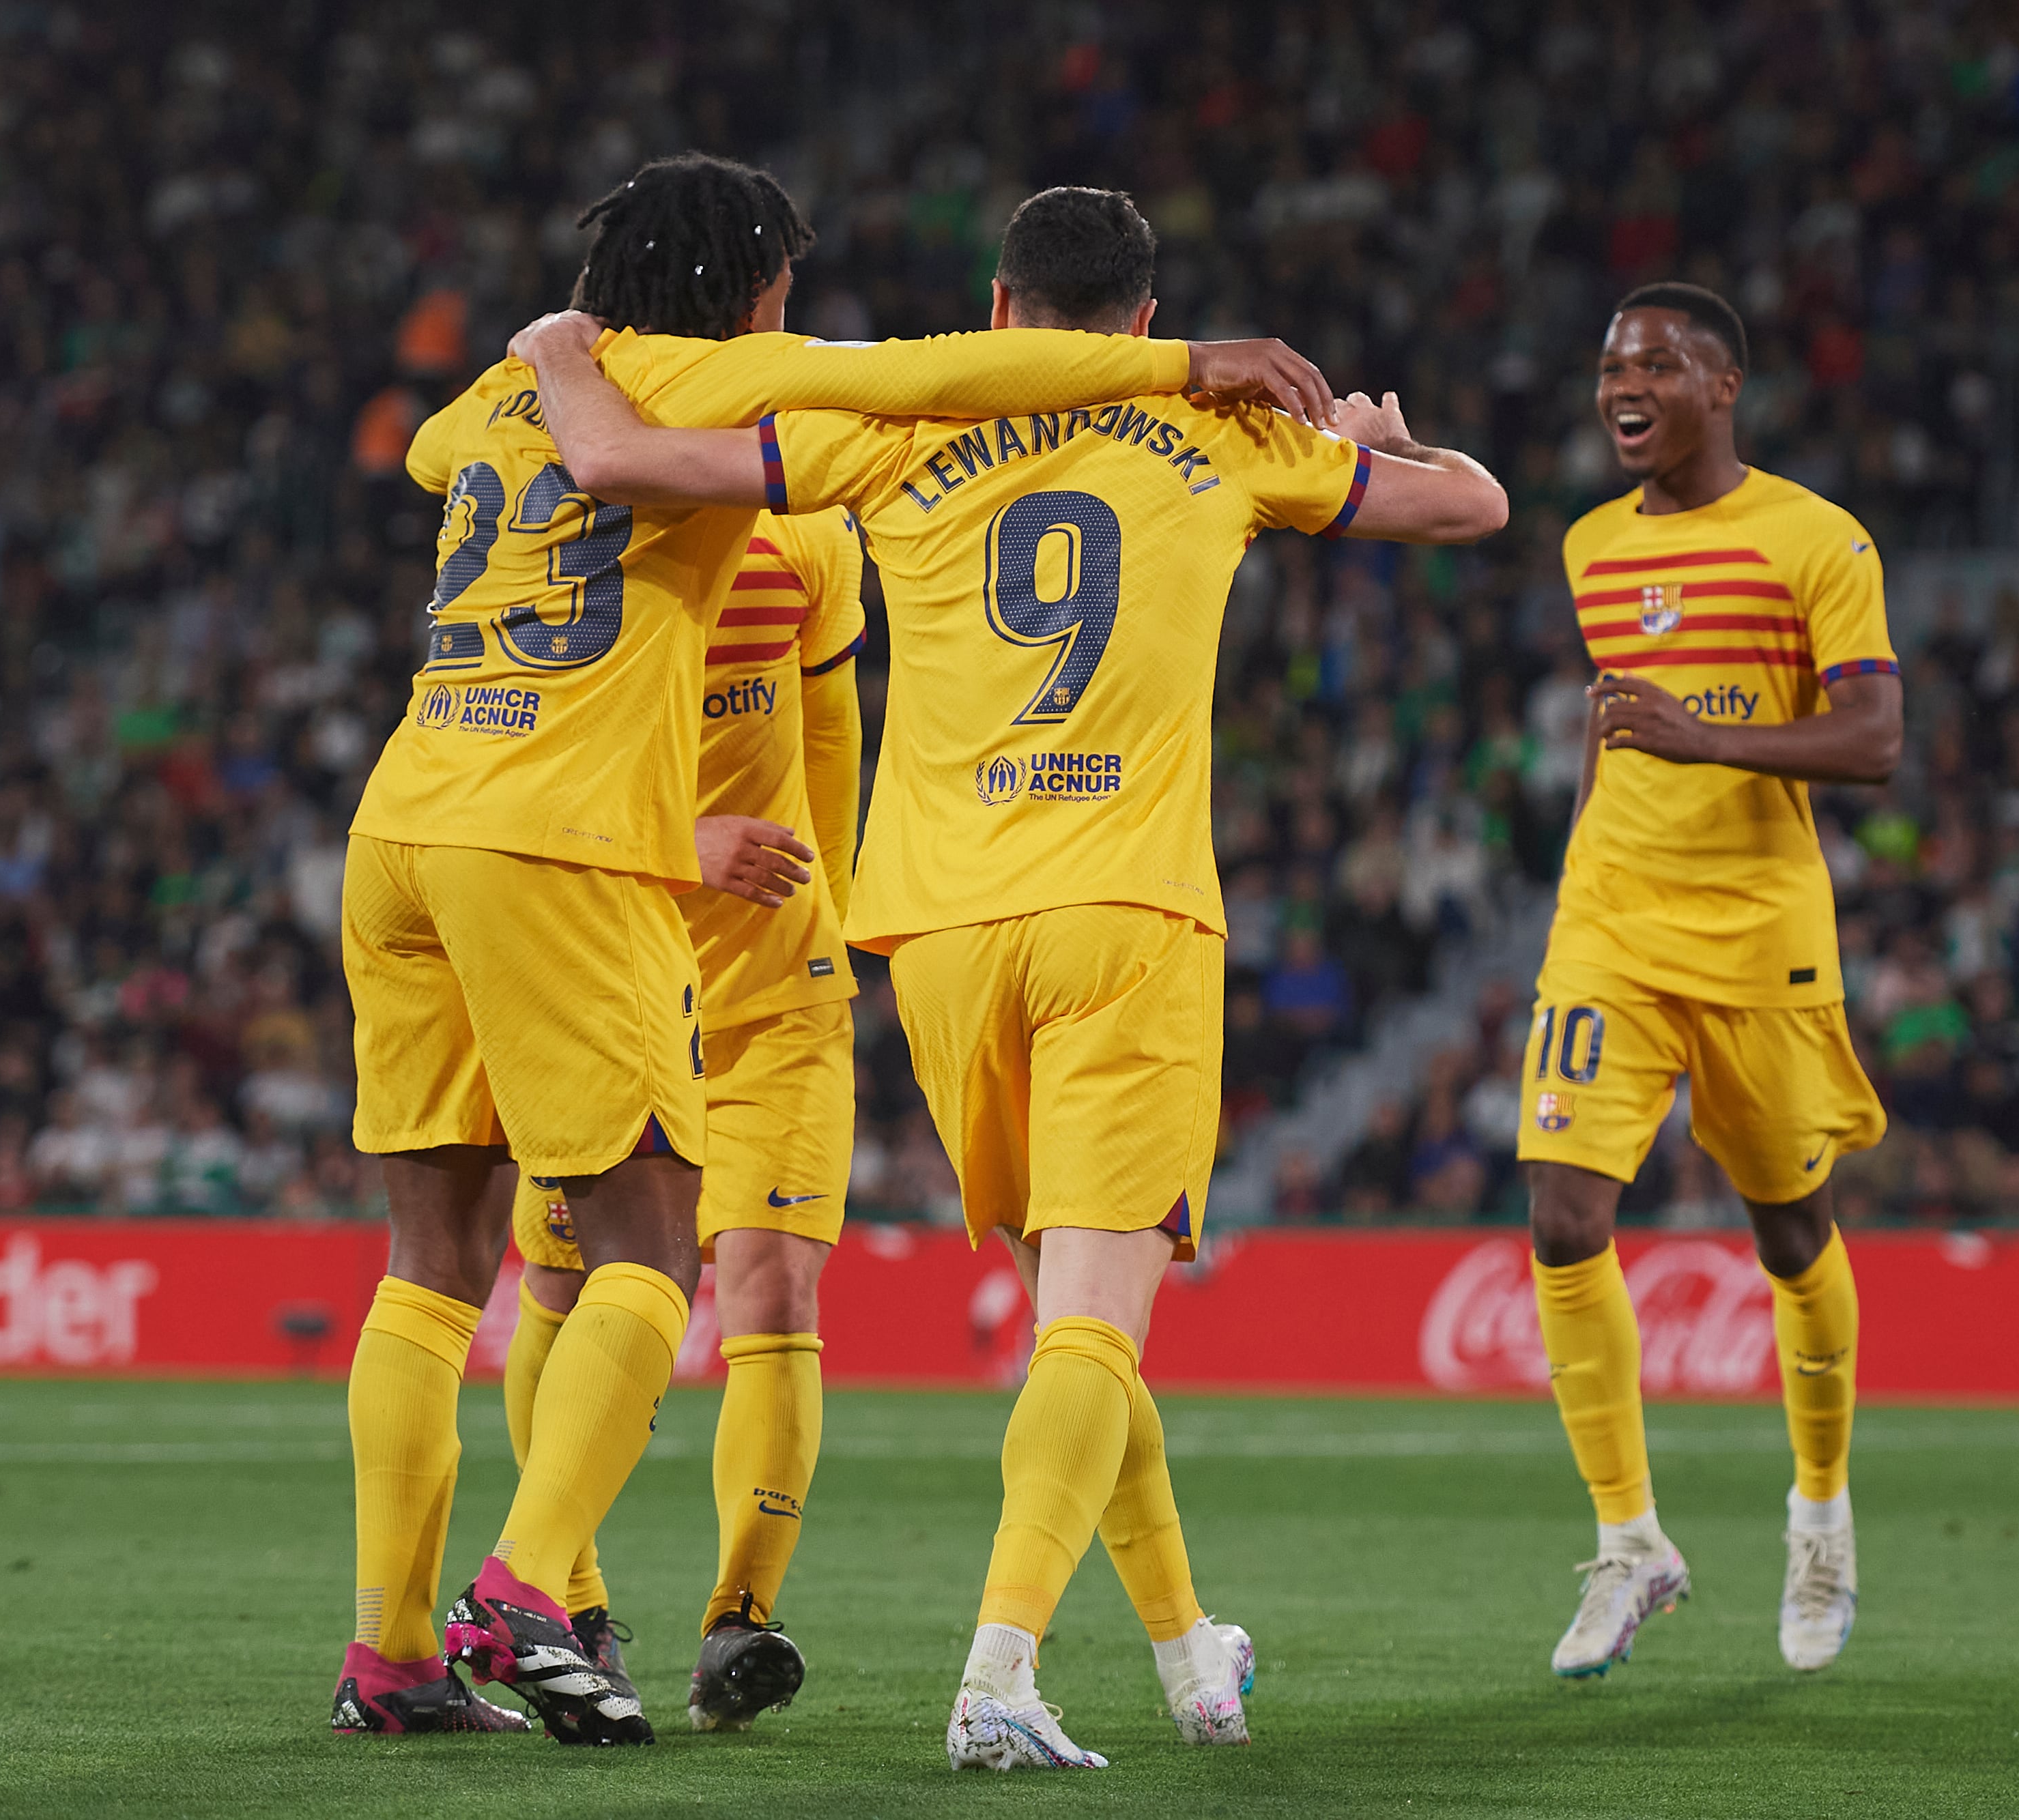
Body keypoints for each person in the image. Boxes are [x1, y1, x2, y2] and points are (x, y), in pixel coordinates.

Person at [332, 151, 1333, 1744]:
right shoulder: (722, 380)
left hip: (401, 821)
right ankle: (526, 1591)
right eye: (779, 291)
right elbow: (947, 370)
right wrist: (1176, 363)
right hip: (554, 837)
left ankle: (386, 1656)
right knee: (655, 1245)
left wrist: (552, 350)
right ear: (744, 294)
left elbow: (444, 460)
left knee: (432, 1263)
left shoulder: (500, 398)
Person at [514, 184, 1504, 1771]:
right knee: (1092, 1335)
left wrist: (560, 356)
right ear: (1140, 320)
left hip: (945, 941)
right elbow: (1473, 507)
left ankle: (1191, 1657)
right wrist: (1385, 437)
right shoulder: (1230, 436)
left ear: (995, 310)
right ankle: (997, 1673)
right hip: (1125, 916)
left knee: (1076, 1317)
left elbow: (624, 457)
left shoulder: (895, 443)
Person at [1519, 283, 1900, 1684]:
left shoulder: (1814, 537)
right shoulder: (1586, 544)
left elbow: (1873, 736)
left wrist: (1707, 739)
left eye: (1657, 364)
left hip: (1757, 930)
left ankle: (1818, 1512)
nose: (1624, 382)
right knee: (1561, 1213)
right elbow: (1615, 728)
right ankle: (1629, 1542)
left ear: (1721, 385)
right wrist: (1584, 856)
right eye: (1610, 361)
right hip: (1609, 924)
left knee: (1789, 1228)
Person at [503, 500, 865, 1736]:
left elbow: (829, 733)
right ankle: (575, 1609)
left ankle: (739, 1621)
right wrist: (676, 839)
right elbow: (508, 793)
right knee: (562, 1293)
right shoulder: (563, 549)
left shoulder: (808, 533)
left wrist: (845, 906)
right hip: (610, 970)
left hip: (780, 992)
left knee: (774, 1290)